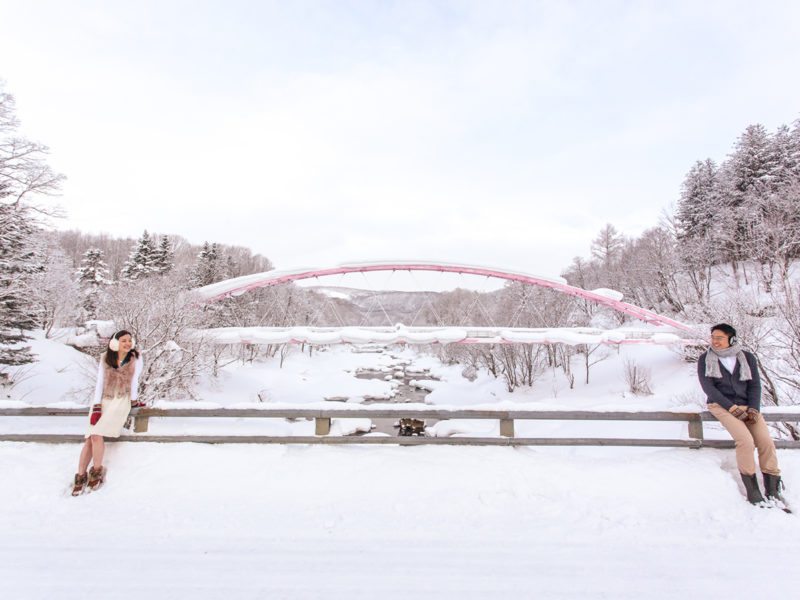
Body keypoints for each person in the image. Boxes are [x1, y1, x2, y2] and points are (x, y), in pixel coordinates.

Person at [697, 323, 787, 508]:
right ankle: (752, 489)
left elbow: (755, 386)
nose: (715, 341)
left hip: (748, 405)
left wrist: (753, 409)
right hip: (721, 405)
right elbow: (709, 389)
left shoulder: (747, 357)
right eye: (713, 337)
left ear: (731, 339)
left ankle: (772, 487)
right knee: (745, 441)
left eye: (719, 338)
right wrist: (731, 408)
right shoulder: (705, 359)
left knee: (765, 442)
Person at [71, 330, 143, 495]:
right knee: (89, 438)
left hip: (120, 400)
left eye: (130, 340)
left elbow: (135, 381)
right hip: (104, 400)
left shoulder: (136, 358)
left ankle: (96, 471)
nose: (128, 343)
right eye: (124, 340)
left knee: (96, 435)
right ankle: (81, 475)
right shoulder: (105, 357)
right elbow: (99, 383)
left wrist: (134, 400)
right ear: (115, 342)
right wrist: (96, 405)